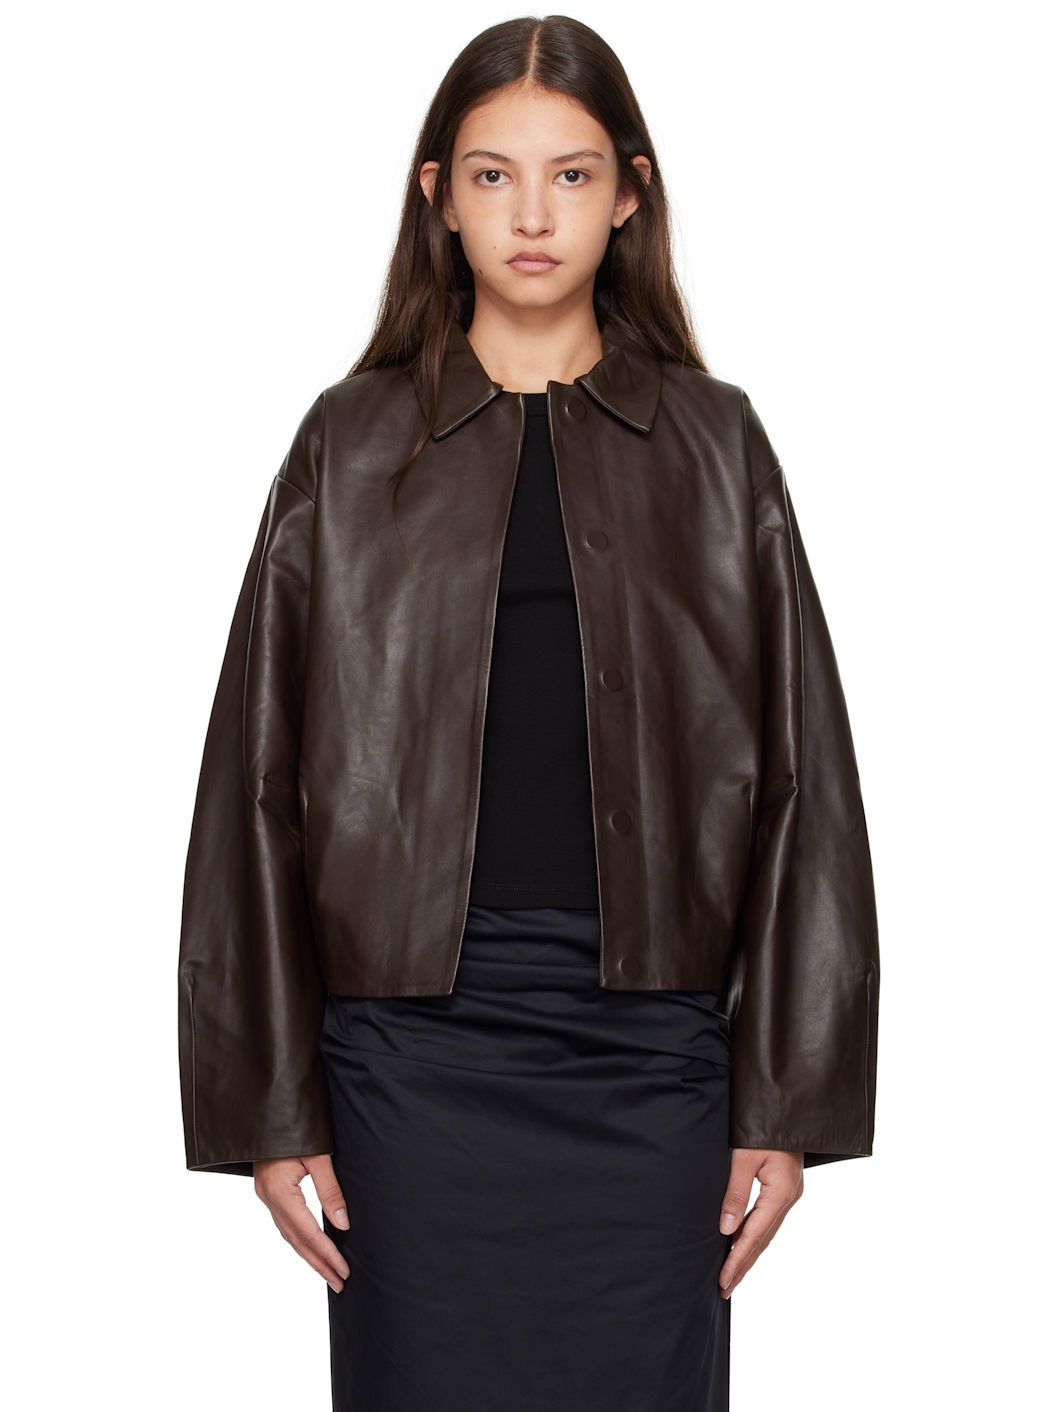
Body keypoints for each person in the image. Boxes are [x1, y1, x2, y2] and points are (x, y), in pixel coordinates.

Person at [176, 14, 880, 1411]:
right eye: (494, 176)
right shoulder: (347, 442)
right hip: (405, 1059)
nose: (534, 215)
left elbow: (807, 776)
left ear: (629, 194)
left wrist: (787, 1098)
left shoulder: (718, 442)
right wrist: (268, 1102)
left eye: (572, 174)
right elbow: (252, 782)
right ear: (438, 197)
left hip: (655, 1054)